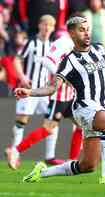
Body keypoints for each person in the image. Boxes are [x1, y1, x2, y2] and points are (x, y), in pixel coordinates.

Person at [14, 16, 105, 184]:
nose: (87, 33)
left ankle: (42, 172)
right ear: (71, 33)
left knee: (87, 165)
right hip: (85, 107)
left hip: (100, 107)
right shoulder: (68, 62)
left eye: (88, 29)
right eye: (81, 30)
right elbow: (52, 87)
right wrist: (30, 92)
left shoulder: (99, 49)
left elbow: (103, 70)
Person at [5, 15, 64, 166]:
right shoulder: (30, 42)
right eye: (45, 25)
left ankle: (50, 156)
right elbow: (17, 60)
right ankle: (14, 153)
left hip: (45, 90)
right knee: (22, 121)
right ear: (39, 25)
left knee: (52, 121)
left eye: (50, 26)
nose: (47, 28)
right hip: (28, 89)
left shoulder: (53, 45)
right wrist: (23, 77)